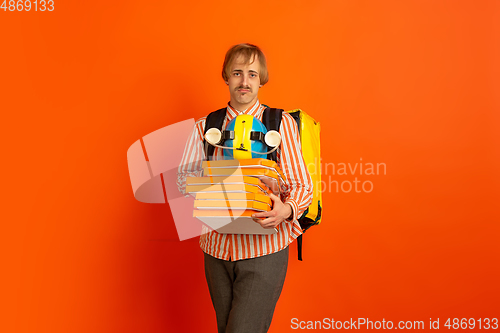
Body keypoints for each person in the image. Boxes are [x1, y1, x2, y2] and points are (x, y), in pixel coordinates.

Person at [177, 43, 313, 333]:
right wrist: (216, 179)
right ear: (226, 77)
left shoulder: (280, 124)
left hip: (265, 247)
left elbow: (302, 185)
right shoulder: (205, 127)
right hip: (216, 249)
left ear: (261, 79)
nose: (244, 81)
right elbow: (182, 181)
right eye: (237, 73)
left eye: (252, 74)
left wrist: (286, 210)